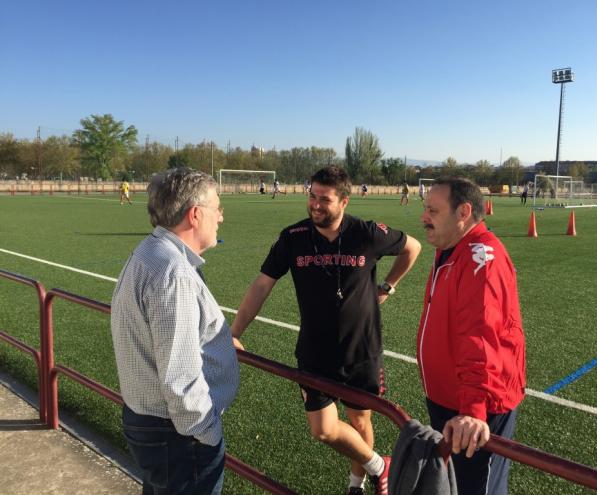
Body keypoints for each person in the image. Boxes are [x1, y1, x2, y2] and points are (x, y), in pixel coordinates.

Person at [231, 166, 421, 495]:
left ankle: (355, 486)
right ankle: (379, 465)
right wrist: (234, 332)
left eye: (325, 200)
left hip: (361, 350)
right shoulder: (293, 238)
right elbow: (262, 285)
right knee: (322, 429)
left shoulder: (366, 233)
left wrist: (388, 285)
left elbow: (412, 247)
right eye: (312, 197)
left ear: (344, 201)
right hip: (315, 352)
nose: (316, 205)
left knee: (361, 421)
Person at [111, 167, 239, 494]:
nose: (221, 218)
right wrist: (206, 433)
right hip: (178, 436)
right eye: (217, 208)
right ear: (195, 215)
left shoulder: (148, 253)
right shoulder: (174, 273)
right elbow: (180, 378)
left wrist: (218, 342)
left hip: (149, 421)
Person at [417, 177, 526, 495]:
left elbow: (481, 336)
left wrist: (472, 410)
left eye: (433, 210)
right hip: (452, 401)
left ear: (463, 211)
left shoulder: (481, 258)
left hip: (475, 411)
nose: (424, 217)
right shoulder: (452, 248)